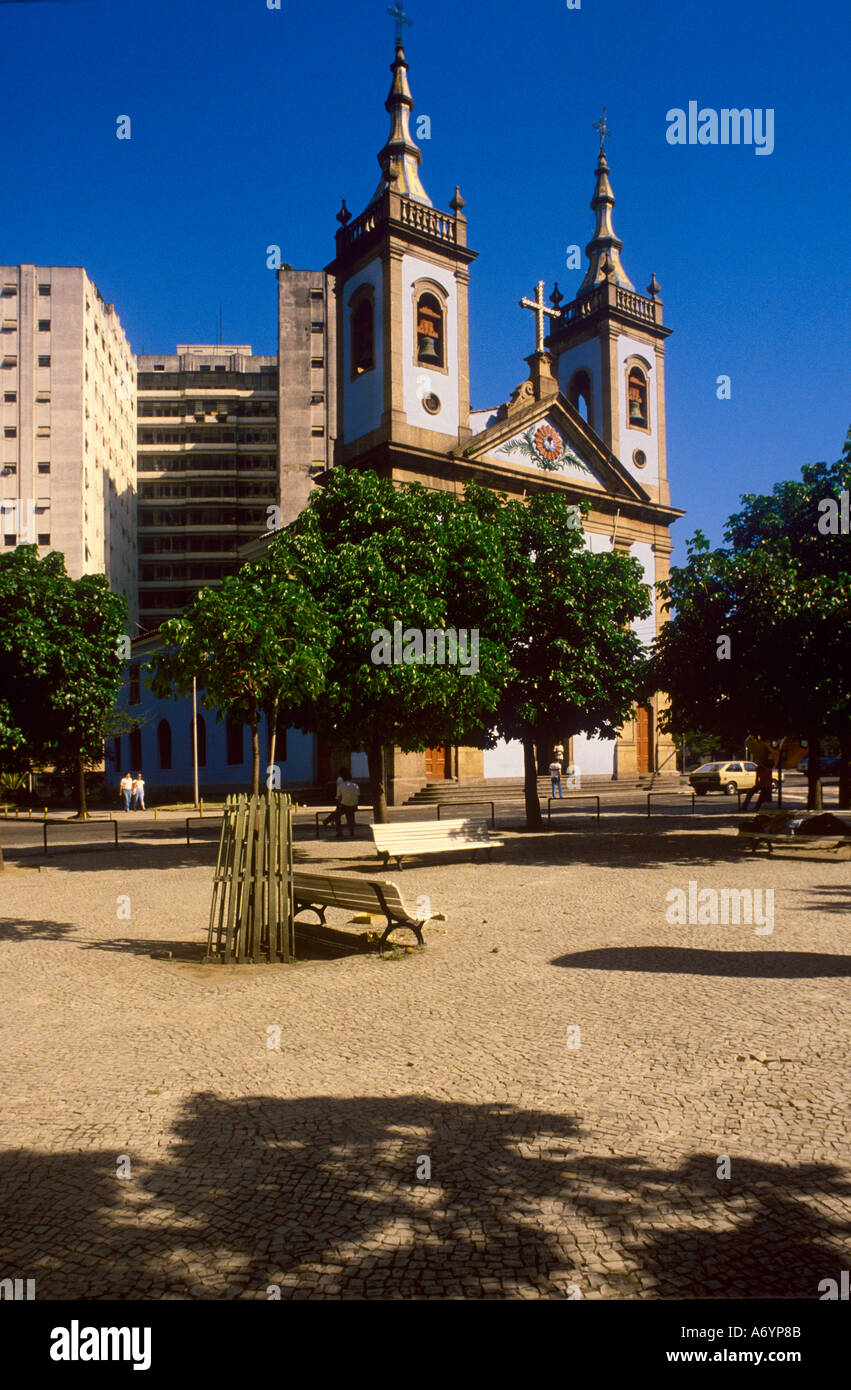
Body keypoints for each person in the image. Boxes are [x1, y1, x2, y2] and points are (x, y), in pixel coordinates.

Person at [743, 737, 773, 813]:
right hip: (764, 784)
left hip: (764, 784)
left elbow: (758, 776)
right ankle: (750, 807)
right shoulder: (763, 766)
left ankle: (751, 807)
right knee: (757, 795)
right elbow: (758, 776)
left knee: (758, 796)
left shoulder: (764, 766)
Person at [338, 772, 360, 839]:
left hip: (344, 805)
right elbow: (358, 795)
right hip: (354, 805)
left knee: (337, 815)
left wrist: (339, 804)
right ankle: (351, 831)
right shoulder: (355, 785)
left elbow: (339, 797)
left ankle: (339, 831)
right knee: (351, 815)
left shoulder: (341, 786)